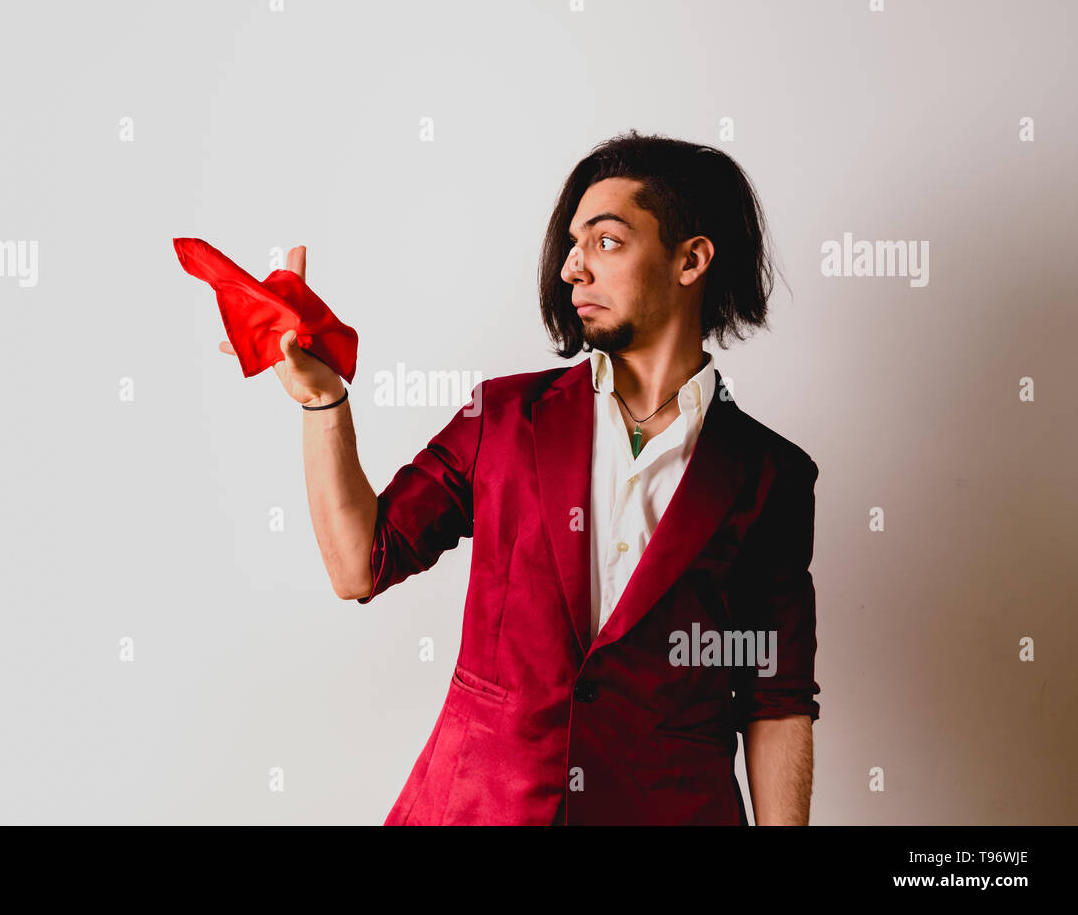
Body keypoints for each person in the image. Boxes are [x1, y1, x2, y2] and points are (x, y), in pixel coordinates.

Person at [220, 131, 821, 825]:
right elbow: (361, 563)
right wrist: (324, 401)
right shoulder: (502, 418)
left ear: (691, 259)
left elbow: (775, 702)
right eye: (572, 245)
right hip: (480, 808)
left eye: (606, 241)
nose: (573, 269)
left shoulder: (771, 474)